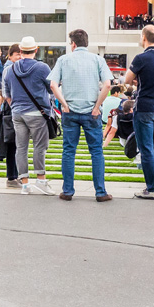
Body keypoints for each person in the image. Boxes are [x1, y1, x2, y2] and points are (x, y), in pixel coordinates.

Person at [48, 29, 113, 202]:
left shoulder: (63, 60)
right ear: (87, 43)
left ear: (73, 44)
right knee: (96, 152)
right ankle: (100, 192)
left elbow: (53, 85)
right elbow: (107, 84)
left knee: (69, 151)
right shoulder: (98, 60)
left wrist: (63, 104)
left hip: (70, 111)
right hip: (92, 111)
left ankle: (68, 191)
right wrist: (97, 106)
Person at [124, 25, 154, 200]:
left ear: (144, 37)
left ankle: (151, 188)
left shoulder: (141, 58)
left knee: (146, 149)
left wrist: (137, 80)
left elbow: (127, 79)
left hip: (144, 107)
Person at [2, 35, 54, 195]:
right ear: (36, 50)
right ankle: (41, 179)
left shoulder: (9, 70)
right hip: (37, 113)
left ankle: (25, 183)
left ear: (21, 50)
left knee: (21, 148)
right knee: (39, 147)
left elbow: (6, 94)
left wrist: (16, 106)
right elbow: (52, 88)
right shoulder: (43, 68)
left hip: (17, 113)